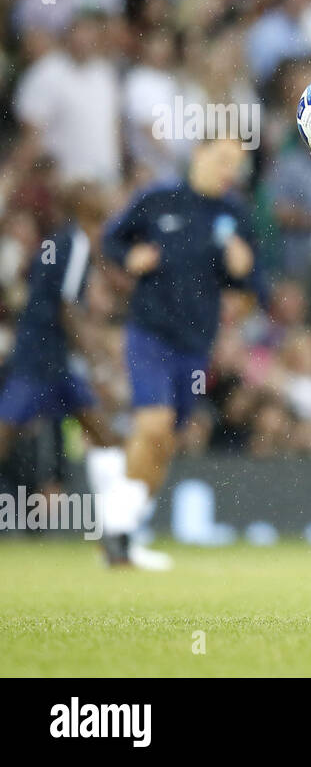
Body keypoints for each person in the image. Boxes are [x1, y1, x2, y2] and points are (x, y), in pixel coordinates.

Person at [94, 137, 261, 568]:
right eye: (223, 159)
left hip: (196, 346)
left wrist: (243, 272)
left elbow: (248, 289)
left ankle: (122, 532)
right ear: (199, 154)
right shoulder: (158, 200)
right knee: (153, 424)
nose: (229, 171)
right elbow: (112, 240)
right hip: (150, 333)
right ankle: (117, 528)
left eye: (236, 165)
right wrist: (130, 256)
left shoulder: (235, 216)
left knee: (164, 442)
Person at [0, 185, 126, 521]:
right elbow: (67, 306)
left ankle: (120, 520)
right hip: (42, 356)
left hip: (48, 356)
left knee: (100, 430)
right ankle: (122, 519)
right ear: (87, 209)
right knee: (7, 428)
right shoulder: (75, 243)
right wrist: (94, 356)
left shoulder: (57, 241)